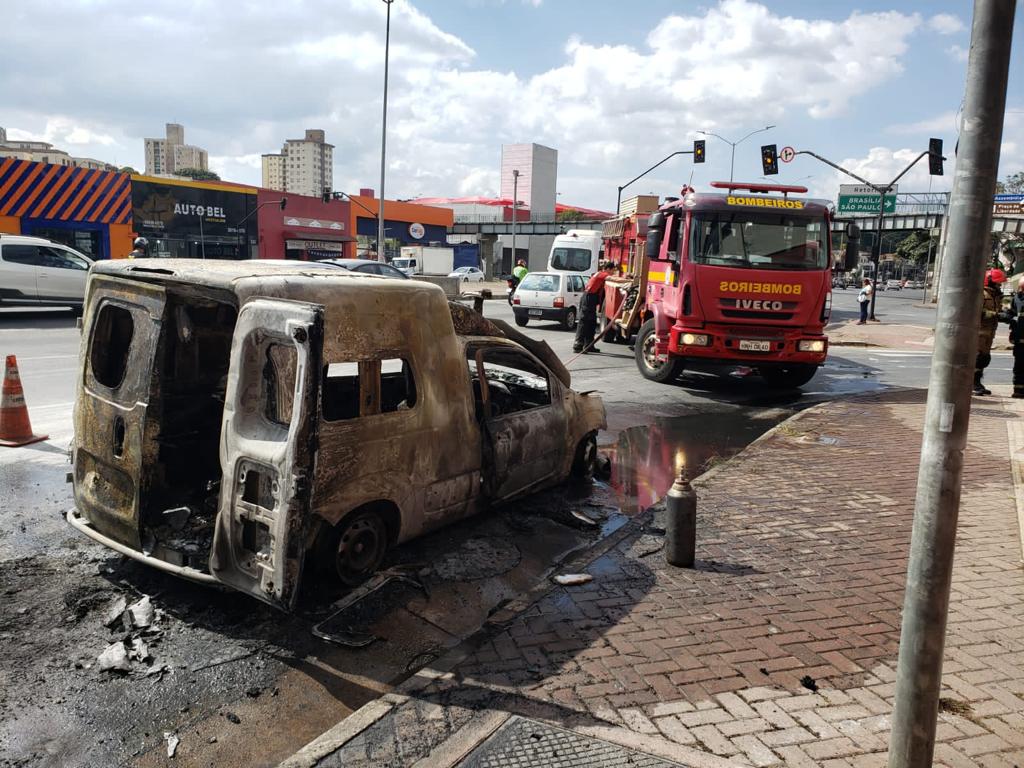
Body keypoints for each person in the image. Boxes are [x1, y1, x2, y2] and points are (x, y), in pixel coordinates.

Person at [974, 267, 1006, 395]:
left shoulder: (995, 296)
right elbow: (977, 312)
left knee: (984, 359)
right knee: (977, 358)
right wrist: (996, 315)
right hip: (979, 332)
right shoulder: (981, 294)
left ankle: (978, 382)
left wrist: (1006, 315)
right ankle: (973, 384)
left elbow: (999, 310)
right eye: (998, 282)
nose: (1000, 285)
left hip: (990, 333)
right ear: (991, 281)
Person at [573, 261, 616, 354]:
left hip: (591, 299)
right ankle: (578, 344)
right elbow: (613, 279)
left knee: (592, 323)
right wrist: (629, 281)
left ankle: (589, 345)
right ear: (608, 269)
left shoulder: (600, 274)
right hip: (588, 298)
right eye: (613, 270)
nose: (613, 273)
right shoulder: (602, 274)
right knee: (584, 321)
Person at [1010, 276, 1024, 398]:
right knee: (1019, 366)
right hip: (1019, 339)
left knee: (1019, 366)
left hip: (1019, 339)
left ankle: (1018, 390)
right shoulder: (1017, 298)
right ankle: (1018, 390)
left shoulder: (1017, 298)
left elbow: (1012, 314)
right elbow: (1012, 314)